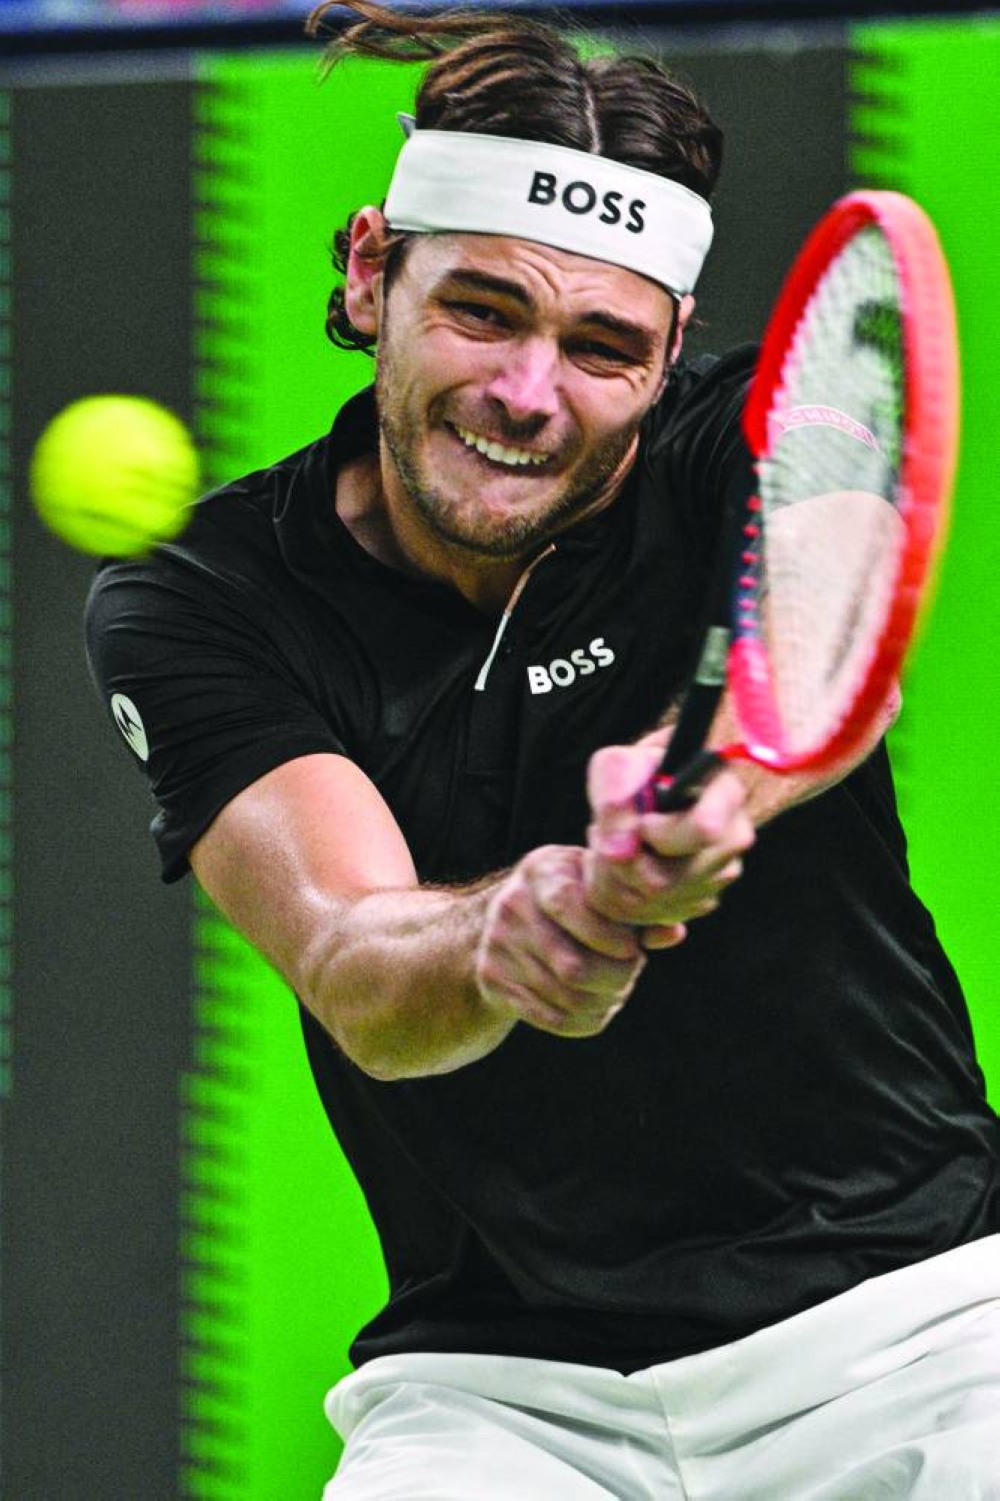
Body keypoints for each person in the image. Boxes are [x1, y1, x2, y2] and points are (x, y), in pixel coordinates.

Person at [85, 4, 1000, 1496]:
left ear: (670, 355)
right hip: (498, 1390)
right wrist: (518, 927)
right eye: (485, 309)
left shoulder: (756, 426)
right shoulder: (203, 594)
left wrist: (715, 783)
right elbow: (357, 960)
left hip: (913, 1323)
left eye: (601, 347)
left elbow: (828, 640)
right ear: (373, 267)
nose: (529, 392)